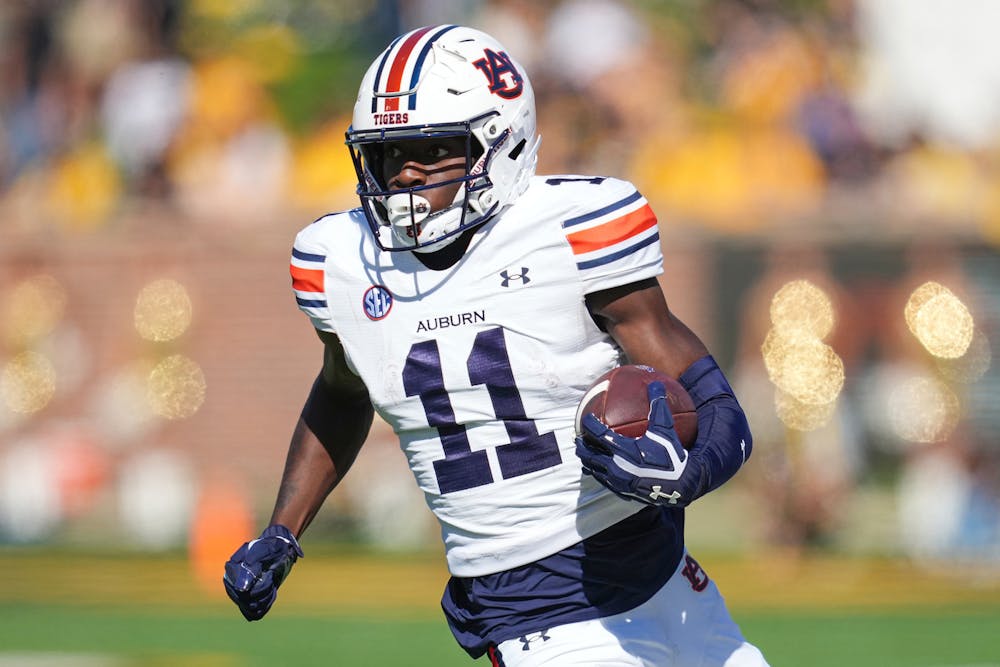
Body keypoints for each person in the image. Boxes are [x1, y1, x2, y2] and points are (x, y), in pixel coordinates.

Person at [223, 24, 768, 666]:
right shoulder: (341, 262)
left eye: (433, 153)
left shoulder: (570, 231)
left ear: (499, 144)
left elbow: (717, 408)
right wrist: (284, 530)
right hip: (533, 606)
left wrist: (684, 476)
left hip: (663, 575)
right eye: (389, 156)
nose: (405, 179)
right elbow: (344, 392)